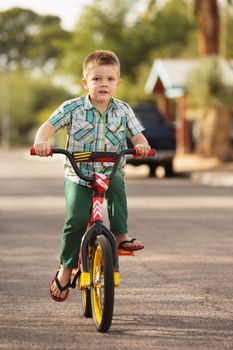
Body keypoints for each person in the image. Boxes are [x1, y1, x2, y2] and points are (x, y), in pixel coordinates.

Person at [33, 50, 151, 302]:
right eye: (97, 79)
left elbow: (138, 136)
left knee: (118, 189)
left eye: (110, 79)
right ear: (86, 83)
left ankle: (120, 236)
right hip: (79, 174)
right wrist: (41, 142)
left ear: (118, 84)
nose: (104, 84)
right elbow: (47, 127)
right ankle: (66, 268)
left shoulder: (123, 110)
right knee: (75, 217)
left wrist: (141, 146)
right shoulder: (73, 107)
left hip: (111, 170)